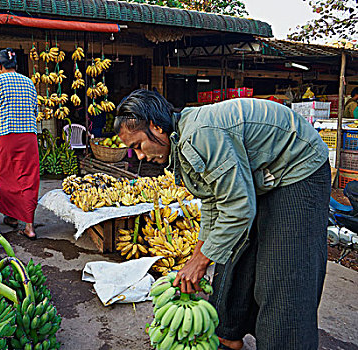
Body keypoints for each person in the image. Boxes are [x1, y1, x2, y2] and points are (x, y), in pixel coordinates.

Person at [114, 89, 330, 350]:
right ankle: (228, 334)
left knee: (284, 270)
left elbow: (238, 207)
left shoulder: (200, 134)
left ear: (156, 126)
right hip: (264, 173)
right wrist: (199, 256)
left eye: (137, 146)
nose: (139, 156)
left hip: (298, 166)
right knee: (236, 251)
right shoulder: (181, 141)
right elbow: (214, 202)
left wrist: (201, 260)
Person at [0, 48, 39, 240]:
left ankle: (13, 218)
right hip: (29, 136)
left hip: (7, 136)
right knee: (28, 177)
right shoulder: (29, 82)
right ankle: (28, 226)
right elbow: (35, 110)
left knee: (9, 176)